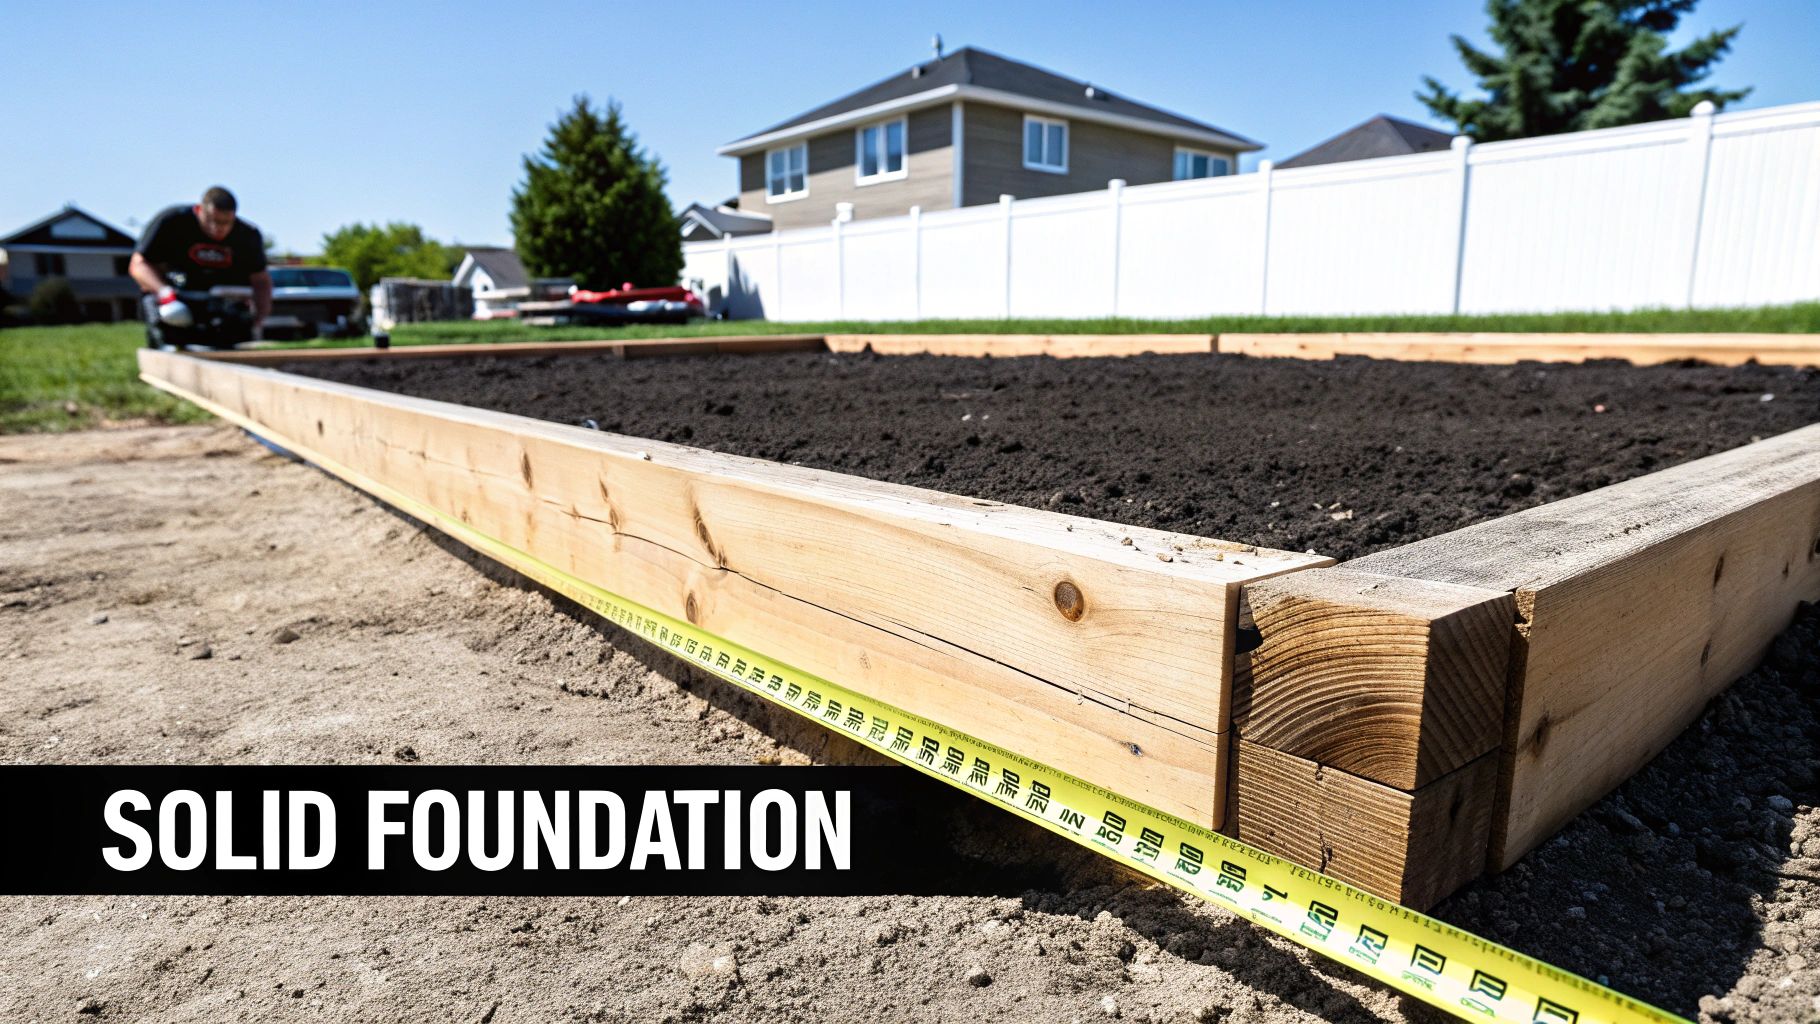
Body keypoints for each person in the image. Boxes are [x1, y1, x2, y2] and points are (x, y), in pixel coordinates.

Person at [129, 186, 272, 347]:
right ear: (199, 210)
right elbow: (139, 265)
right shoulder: (171, 222)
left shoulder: (247, 234)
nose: (219, 228)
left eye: (226, 223)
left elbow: (261, 280)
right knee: (171, 343)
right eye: (213, 221)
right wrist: (164, 292)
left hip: (220, 307)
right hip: (175, 301)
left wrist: (259, 318)